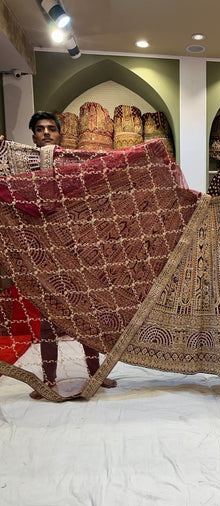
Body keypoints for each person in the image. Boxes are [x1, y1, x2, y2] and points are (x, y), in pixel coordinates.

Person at [4, 112, 117, 397]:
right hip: (42, 256)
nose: (46, 133)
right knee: (48, 320)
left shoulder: (74, 164)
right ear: (32, 136)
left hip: (75, 253)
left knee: (88, 317)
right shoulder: (20, 166)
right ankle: (49, 380)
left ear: (59, 134)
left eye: (51, 129)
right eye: (40, 129)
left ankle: (96, 374)